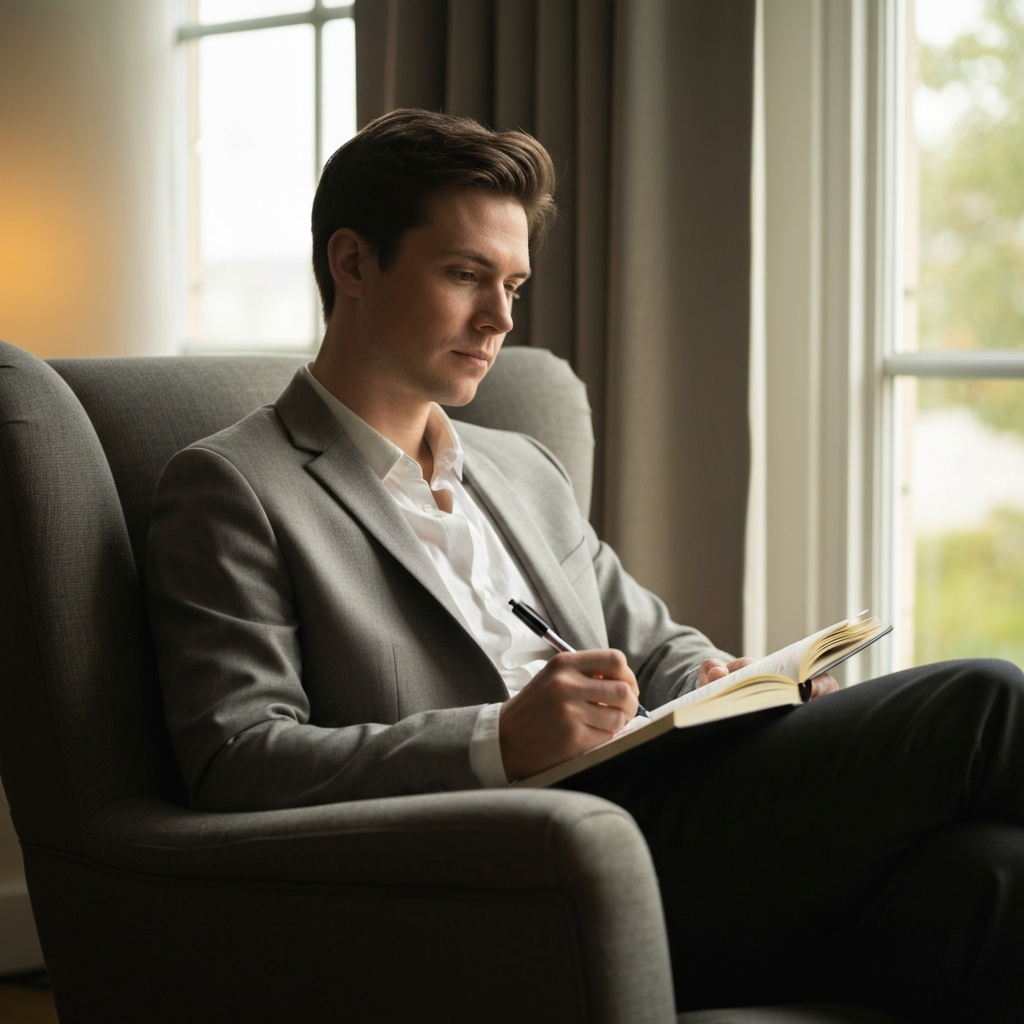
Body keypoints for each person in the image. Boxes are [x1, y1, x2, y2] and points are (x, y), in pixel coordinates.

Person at [146, 109, 1024, 1022]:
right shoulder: (232, 487)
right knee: (982, 700)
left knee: (991, 876)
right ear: (354, 263)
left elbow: (654, 643)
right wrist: (500, 740)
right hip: (510, 866)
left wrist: (726, 679)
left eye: (514, 285)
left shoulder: (524, 468)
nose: (499, 319)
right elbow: (238, 762)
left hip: (673, 818)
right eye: (465, 275)